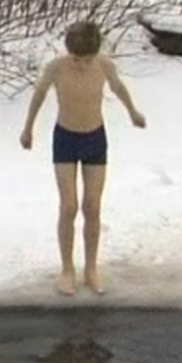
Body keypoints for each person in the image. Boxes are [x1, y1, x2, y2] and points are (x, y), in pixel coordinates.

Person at [19, 21, 146, 296]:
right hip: (65, 138)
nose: (81, 65)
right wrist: (28, 128)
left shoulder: (104, 65)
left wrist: (133, 112)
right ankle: (67, 269)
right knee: (69, 207)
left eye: (86, 60)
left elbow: (118, 88)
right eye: (76, 59)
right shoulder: (56, 67)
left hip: (94, 138)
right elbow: (39, 94)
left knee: (92, 206)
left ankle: (91, 268)